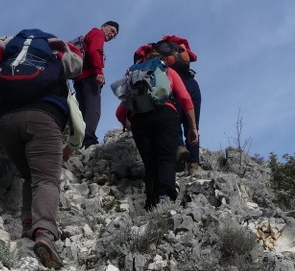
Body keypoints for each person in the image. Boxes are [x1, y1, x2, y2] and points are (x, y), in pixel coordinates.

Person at [0, 31, 85, 270]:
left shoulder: (10, 67)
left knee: (28, 176)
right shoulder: (54, 69)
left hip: (4, 125)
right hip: (43, 119)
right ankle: (44, 232)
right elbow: (76, 117)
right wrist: (73, 144)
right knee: (46, 179)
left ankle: (27, 226)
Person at [114, 45, 198, 210]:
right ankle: (165, 197)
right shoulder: (167, 71)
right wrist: (192, 126)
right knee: (166, 158)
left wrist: (134, 128)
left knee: (150, 163)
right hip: (165, 115)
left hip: (139, 121)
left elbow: (120, 113)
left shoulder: (136, 77)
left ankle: (151, 202)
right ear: (161, 59)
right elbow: (185, 98)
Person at [71, 21, 119, 148]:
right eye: (112, 30)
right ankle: (89, 138)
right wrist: (99, 72)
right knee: (93, 109)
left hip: (78, 79)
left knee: (81, 110)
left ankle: (77, 141)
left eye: (115, 35)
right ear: (103, 26)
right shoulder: (97, 33)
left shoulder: (90, 35)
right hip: (90, 78)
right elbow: (94, 50)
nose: (112, 35)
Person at [158, 35, 202, 173]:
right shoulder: (183, 46)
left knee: (174, 120)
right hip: (191, 84)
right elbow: (194, 57)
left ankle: (179, 147)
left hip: (173, 82)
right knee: (192, 125)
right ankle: (193, 163)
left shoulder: (161, 49)